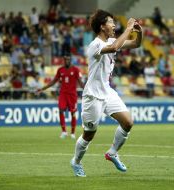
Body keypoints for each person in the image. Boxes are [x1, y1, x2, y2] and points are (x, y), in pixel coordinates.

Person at [70, 9, 142, 177]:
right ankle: (76, 161)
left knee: (128, 122)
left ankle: (112, 152)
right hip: (93, 96)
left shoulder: (110, 40)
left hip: (107, 91)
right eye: (111, 22)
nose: (114, 25)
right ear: (102, 26)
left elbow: (136, 44)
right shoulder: (95, 44)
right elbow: (115, 47)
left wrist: (139, 31)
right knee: (89, 134)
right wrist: (128, 28)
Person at [38, 52, 84, 139]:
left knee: (73, 113)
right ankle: (64, 132)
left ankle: (73, 133)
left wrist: (87, 90)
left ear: (70, 60)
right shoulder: (60, 70)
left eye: (68, 59)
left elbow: (80, 82)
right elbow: (53, 81)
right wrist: (42, 89)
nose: (66, 61)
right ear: (63, 60)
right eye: (65, 59)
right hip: (63, 94)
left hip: (72, 95)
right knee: (61, 110)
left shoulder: (75, 70)